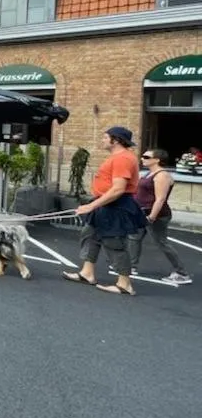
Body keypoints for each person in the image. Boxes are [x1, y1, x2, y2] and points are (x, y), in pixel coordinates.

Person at [63, 127, 148, 296]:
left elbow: (118, 189)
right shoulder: (117, 157)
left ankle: (125, 284)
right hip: (104, 204)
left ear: (115, 140)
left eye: (105, 137)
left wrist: (91, 206)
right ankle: (87, 273)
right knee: (90, 236)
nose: (102, 140)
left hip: (115, 206)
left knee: (114, 243)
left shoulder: (123, 158)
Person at [128, 149, 191, 284]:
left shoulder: (162, 176)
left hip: (156, 215)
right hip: (142, 212)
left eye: (146, 157)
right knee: (134, 237)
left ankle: (182, 273)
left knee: (162, 242)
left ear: (157, 160)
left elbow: (160, 199)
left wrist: (151, 217)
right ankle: (131, 266)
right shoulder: (148, 174)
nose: (142, 158)